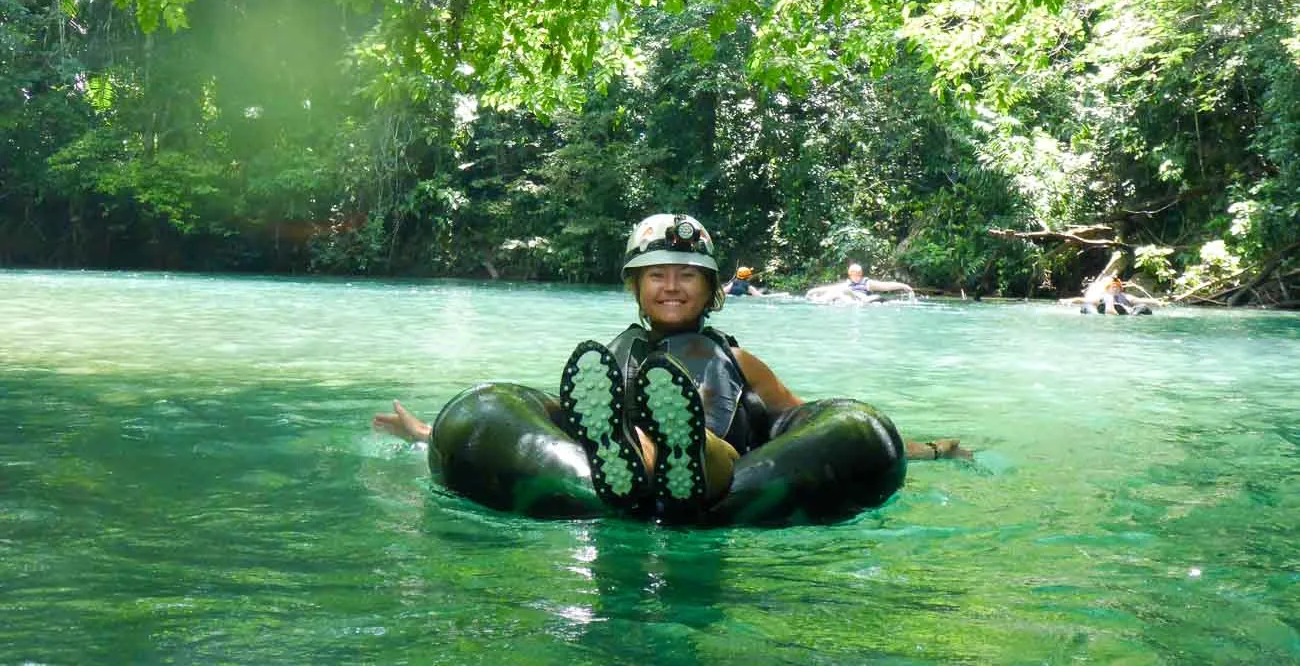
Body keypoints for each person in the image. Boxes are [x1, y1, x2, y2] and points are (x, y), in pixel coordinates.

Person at [374, 213, 969, 525]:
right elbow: (540, 425)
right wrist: (428, 433)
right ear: (637, 287)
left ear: (712, 290)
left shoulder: (737, 359)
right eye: (657, 274)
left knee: (706, 451)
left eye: (687, 275)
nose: (672, 285)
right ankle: (639, 458)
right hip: (626, 460)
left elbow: (804, 424)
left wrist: (929, 449)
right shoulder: (608, 362)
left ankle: (674, 449)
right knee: (628, 436)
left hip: (720, 467)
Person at [805, 262, 916, 305]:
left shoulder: (867, 283)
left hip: (862, 300)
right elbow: (829, 288)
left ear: (861, 273)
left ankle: (819, 301)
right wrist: (812, 291)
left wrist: (904, 286)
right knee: (837, 292)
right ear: (850, 274)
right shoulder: (847, 284)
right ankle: (818, 301)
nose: (856, 275)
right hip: (850, 301)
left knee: (843, 291)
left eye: (858, 273)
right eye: (854, 273)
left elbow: (885, 285)